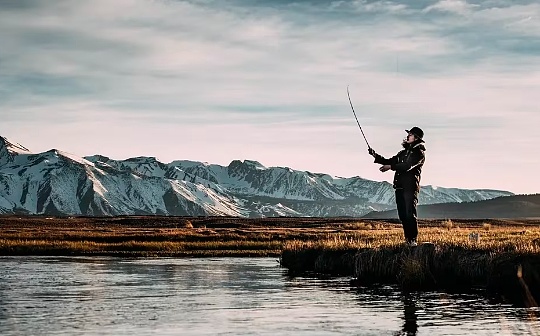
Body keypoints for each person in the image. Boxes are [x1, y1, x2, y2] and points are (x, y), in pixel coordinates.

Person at [368, 127, 426, 246]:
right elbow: (390, 161)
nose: (407, 136)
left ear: (416, 138)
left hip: (410, 187)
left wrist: (390, 167)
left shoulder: (419, 153)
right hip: (399, 187)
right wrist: (375, 155)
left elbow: (407, 166)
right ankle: (408, 241)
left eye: (410, 134)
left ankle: (413, 240)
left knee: (410, 213)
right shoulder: (403, 153)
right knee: (403, 215)